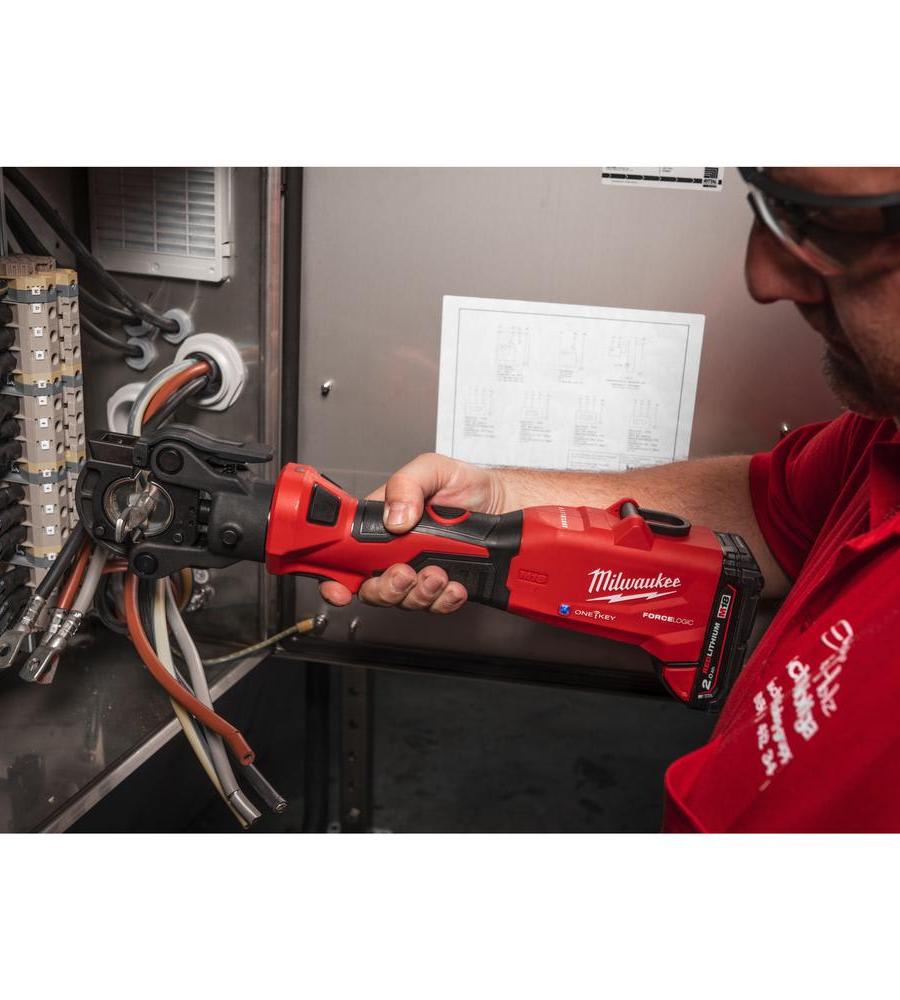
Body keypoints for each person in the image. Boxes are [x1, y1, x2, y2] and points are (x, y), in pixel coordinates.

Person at [320, 168, 900, 833]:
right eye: (772, 205)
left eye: (834, 223)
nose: (762, 277)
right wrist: (501, 498)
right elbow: (768, 510)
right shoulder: (882, 435)